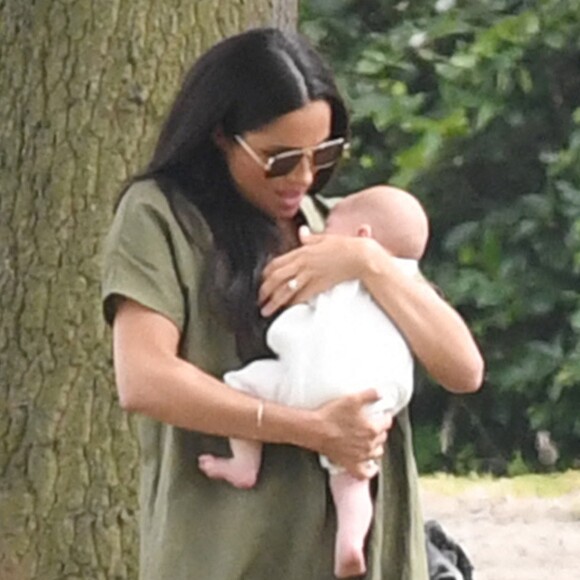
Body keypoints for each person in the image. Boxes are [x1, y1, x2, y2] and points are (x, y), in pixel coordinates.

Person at [102, 27, 484, 580]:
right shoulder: (159, 217)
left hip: (371, 558)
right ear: (220, 136)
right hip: (236, 554)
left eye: (323, 155)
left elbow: (463, 369)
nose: (304, 179)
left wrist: (367, 263)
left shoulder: (344, 229)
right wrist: (312, 429)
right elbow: (145, 379)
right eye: (280, 160)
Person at [198, 186, 429, 578]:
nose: (320, 231)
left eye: (331, 225)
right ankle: (351, 542)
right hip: (374, 396)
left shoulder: (329, 265)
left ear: (362, 238)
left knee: (242, 385)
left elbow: (467, 369)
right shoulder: (401, 279)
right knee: (354, 477)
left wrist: (332, 254)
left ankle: (243, 463)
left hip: (312, 379)